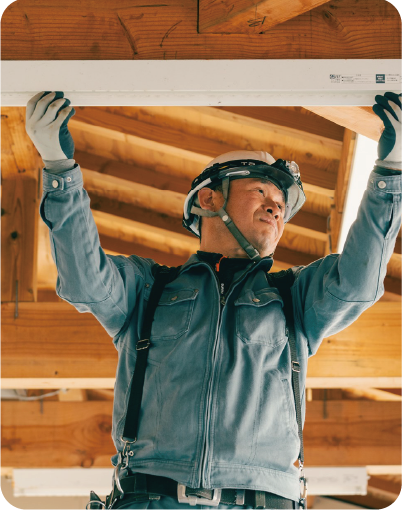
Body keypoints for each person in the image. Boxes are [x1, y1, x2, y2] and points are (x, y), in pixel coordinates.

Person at [26, 91, 402, 510]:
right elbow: (84, 280)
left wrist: (391, 175)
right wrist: (60, 170)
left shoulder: (293, 297)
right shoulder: (148, 289)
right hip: (152, 497)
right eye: (262, 192)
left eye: (281, 205)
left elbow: (357, 283)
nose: (276, 209)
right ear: (209, 199)